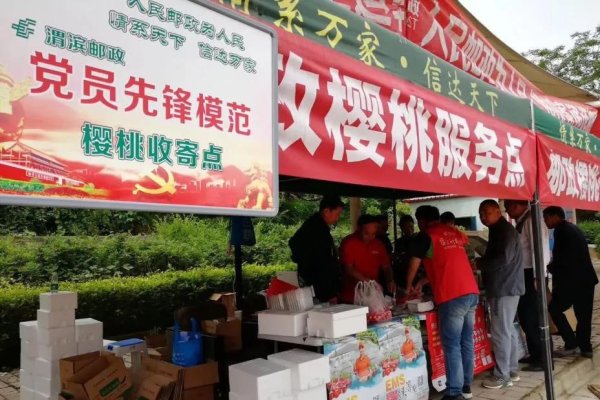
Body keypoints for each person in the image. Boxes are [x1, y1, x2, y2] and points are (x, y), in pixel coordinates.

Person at [406, 205, 479, 400]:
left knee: (452, 344)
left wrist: (408, 287)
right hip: (471, 292)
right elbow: (447, 262)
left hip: (452, 295)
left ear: (421, 221)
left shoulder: (426, 236)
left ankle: (454, 392)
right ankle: (466, 386)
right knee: (466, 341)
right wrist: (422, 282)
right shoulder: (453, 233)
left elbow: (414, 264)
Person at [475, 200, 524, 390]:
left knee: (500, 332)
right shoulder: (498, 230)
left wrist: (479, 264)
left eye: (486, 212)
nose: (483, 217)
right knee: (507, 330)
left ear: (498, 211)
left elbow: (503, 258)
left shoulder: (504, 231)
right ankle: (511, 370)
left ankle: (502, 375)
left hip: (504, 288)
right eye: (481, 213)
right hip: (508, 286)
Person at [543, 206, 598, 358]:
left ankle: (572, 343)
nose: (545, 222)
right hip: (586, 280)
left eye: (546, 218)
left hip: (573, 281)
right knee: (584, 316)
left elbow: (563, 258)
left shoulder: (561, 231)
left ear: (555, 216)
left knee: (554, 308)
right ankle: (585, 348)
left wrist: (550, 267)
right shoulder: (573, 228)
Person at [504, 199, 551, 371]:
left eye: (507, 207)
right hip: (525, 274)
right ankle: (535, 353)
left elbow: (539, 249)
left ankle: (543, 359)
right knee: (525, 316)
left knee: (533, 317)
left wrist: (538, 276)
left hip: (532, 274)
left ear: (516, 206)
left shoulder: (531, 220)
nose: (506, 211)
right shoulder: (523, 221)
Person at [289, 195, 344, 303]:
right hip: (318, 284)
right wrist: (330, 292)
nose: (338, 218)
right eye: (337, 214)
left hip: (313, 280)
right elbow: (322, 263)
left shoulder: (316, 225)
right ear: (326, 211)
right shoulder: (316, 229)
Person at [339, 214, 396, 304]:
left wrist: (390, 280)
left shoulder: (378, 244)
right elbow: (349, 269)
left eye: (373, 234)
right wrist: (370, 282)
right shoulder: (349, 242)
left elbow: (386, 266)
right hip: (351, 296)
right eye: (366, 233)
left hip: (372, 295)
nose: (370, 237)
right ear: (358, 229)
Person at [393, 215, 417, 291]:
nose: (409, 229)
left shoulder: (419, 240)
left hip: (417, 276)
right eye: (406, 228)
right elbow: (396, 259)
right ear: (402, 228)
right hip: (403, 276)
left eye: (411, 226)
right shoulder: (399, 242)